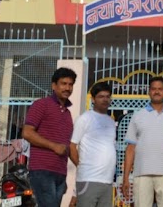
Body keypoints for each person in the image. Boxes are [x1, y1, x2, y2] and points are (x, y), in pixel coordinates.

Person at [123, 76, 163, 207]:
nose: (157, 92)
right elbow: (130, 148)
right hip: (142, 172)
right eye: (153, 89)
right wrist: (125, 177)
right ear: (149, 91)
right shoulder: (137, 116)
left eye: (160, 89)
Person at [23, 67, 77, 207]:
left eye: (70, 84)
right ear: (54, 85)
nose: (67, 88)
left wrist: (82, 166)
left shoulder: (67, 114)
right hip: (42, 170)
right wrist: (53, 146)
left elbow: (68, 146)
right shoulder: (41, 105)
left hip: (60, 172)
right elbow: (27, 132)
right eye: (63, 83)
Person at [70, 82, 116, 207]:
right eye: (101, 96)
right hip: (89, 179)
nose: (105, 99)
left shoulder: (111, 122)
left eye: (107, 96)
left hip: (107, 181)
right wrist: (81, 166)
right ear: (93, 99)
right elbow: (71, 146)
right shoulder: (85, 118)